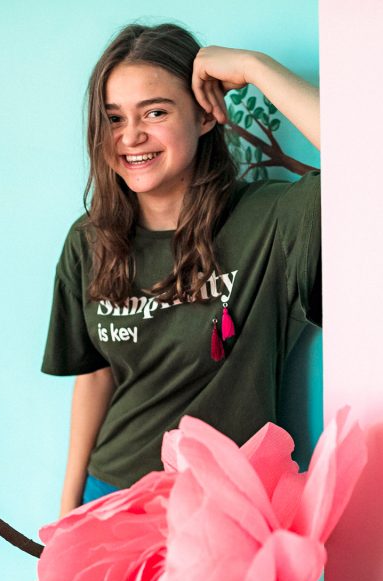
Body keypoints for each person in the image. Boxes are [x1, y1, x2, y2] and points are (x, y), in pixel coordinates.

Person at [42, 23, 321, 515]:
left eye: (155, 111)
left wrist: (255, 67)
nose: (131, 136)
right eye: (113, 118)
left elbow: (375, 163)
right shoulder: (88, 241)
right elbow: (96, 375)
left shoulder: (270, 220)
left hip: (225, 509)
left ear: (205, 115)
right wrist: (69, 509)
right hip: (111, 498)